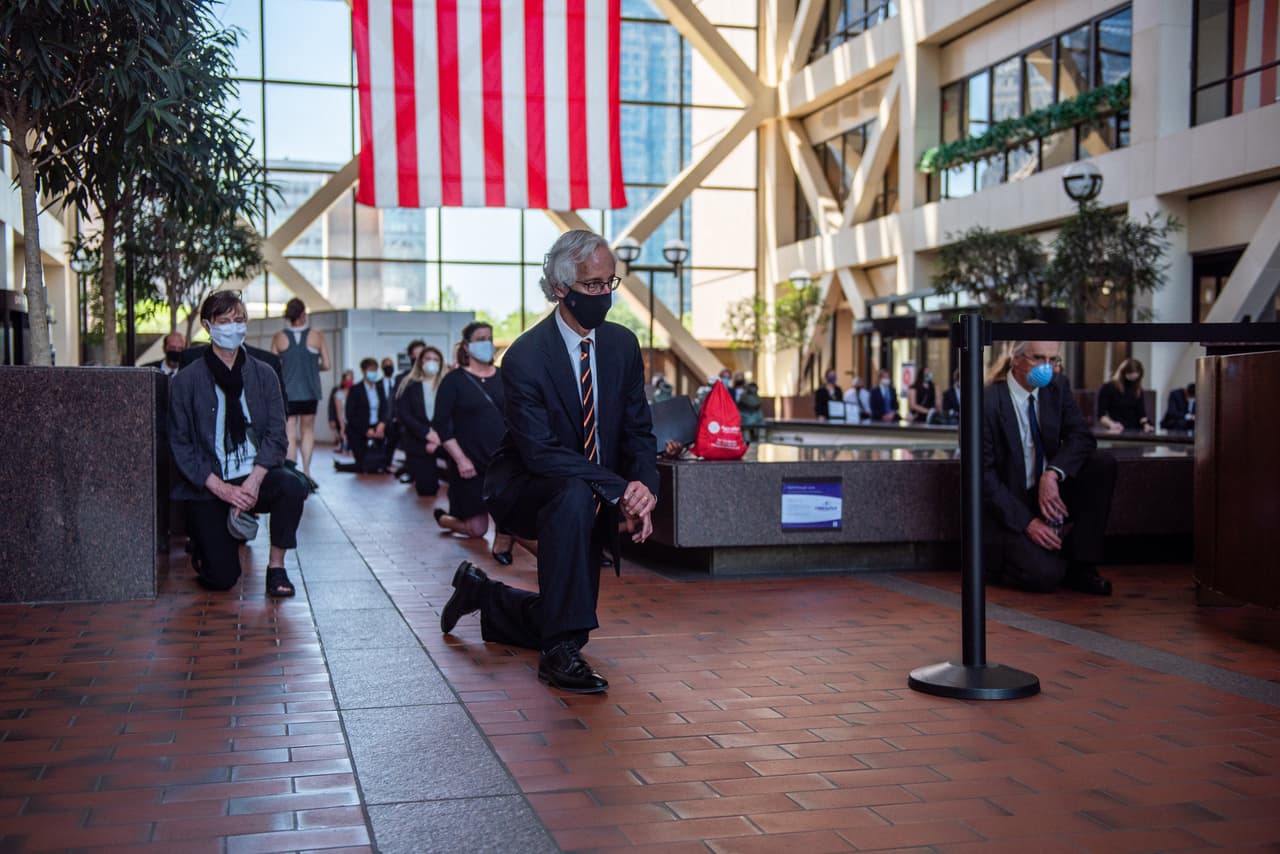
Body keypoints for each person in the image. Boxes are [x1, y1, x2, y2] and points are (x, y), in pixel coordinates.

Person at [440, 230, 659, 695]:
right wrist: (616, 488)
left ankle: (486, 595)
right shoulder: (525, 356)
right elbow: (540, 452)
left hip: (589, 485)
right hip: (528, 484)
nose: (604, 295)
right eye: (592, 285)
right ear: (560, 288)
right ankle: (556, 657)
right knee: (572, 496)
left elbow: (638, 430)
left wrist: (643, 487)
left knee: (571, 616)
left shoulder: (622, 345)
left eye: (609, 283)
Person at [167, 291, 305, 596]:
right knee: (222, 578)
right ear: (208, 326)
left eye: (239, 319)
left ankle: (277, 567)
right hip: (210, 483)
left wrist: (253, 482)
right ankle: (206, 546)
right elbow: (181, 445)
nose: (233, 327)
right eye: (225, 321)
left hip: (253, 475)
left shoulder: (264, 373)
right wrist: (225, 490)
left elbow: (277, 435)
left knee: (292, 486)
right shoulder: (186, 381)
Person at [983, 336, 1116, 596]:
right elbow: (982, 476)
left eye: (1053, 359)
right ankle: (1004, 562)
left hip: (1045, 492)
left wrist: (1053, 473)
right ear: (1016, 358)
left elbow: (1081, 436)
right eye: (1038, 358)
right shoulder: (987, 401)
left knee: (1101, 465)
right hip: (1008, 504)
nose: (1047, 367)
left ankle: (1082, 565)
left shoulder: (1057, 387)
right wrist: (1028, 522)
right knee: (1046, 575)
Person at [432, 322, 516, 564]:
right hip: (470, 464)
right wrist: (460, 459)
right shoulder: (453, 381)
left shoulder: (504, 377)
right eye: (480, 339)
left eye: (489, 338)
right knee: (476, 529)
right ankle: (444, 519)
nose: (487, 343)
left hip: (503, 461)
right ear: (467, 347)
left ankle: (505, 537)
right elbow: (441, 424)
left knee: (513, 512)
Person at [271, 298, 330, 486]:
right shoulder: (316, 336)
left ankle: (293, 472)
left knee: (290, 431)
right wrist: (312, 368)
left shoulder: (279, 337)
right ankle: (307, 471)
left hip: (287, 392)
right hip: (310, 391)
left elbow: (273, 366)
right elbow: (327, 364)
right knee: (307, 431)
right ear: (303, 314)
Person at [395, 345, 446, 497]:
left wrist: (439, 436)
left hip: (444, 440)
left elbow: (452, 413)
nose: (432, 362)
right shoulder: (408, 384)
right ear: (420, 362)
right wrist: (426, 434)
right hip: (418, 441)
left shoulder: (447, 383)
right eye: (428, 359)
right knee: (427, 489)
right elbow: (404, 414)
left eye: (436, 359)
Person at [340, 358, 390, 473]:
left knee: (378, 464)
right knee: (363, 465)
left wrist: (382, 424)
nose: (373, 373)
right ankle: (344, 466)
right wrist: (365, 430)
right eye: (371, 370)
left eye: (375, 370)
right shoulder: (355, 389)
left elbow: (384, 408)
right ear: (363, 371)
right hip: (360, 429)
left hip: (377, 426)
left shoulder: (379, 388)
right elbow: (350, 414)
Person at [1097, 357, 1154, 433]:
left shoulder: (1137, 389)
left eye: (1136, 375)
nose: (1133, 377)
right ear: (1123, 372)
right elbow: (1101, 415)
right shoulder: (1108, 388)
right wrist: (1112, 424)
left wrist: (1146, 425)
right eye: (1131, 374)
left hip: (1136, 431)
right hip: (1117, 430)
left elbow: (1141, 414)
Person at [328, 369, 353, 453]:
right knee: (342, 433)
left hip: (351, 418)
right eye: (347, 379)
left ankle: (348, 448)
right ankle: (342, 446)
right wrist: (331, 419)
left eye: (350, 379)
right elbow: (331, 406)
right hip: (340, 417)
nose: (348, 382)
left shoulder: (355, 390)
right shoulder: (337, 390)